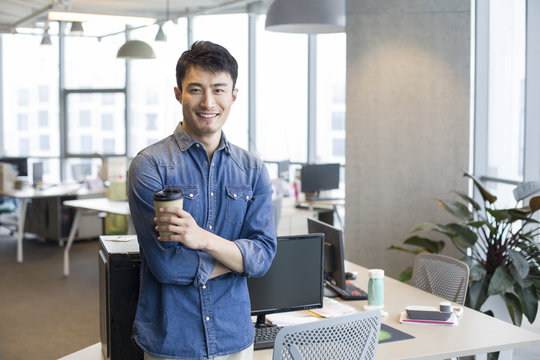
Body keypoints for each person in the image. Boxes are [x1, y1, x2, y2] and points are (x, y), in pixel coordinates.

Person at [128, 41, 277, 360]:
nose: (208, 102)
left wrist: (201, 239)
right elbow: (167, 265)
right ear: (178, 93)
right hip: (173, 342)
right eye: (195, 89)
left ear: (233, 95)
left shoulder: (252, 169)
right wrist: (237, 259)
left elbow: (263, 256)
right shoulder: (150, 165)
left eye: (219, 90)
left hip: (235, 338)